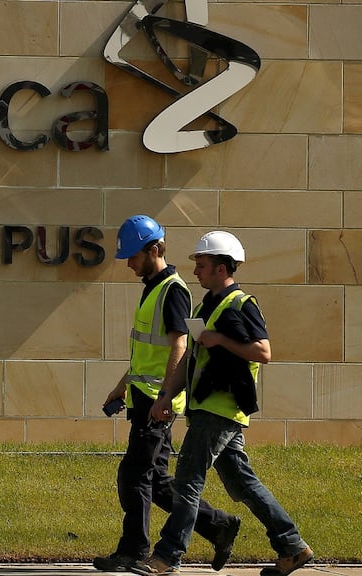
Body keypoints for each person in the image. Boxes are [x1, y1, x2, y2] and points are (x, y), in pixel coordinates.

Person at [134, 231, 313, 576]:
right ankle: (292, 546)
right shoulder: (204, 307)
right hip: (209, 408)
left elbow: (264, 352)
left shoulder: (242, 304)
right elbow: (191, 359)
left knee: (187, 482)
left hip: (220, 409)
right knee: (243, 484)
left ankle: (167, 557)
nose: (196, 271)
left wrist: (220, 339)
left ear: (221, 268)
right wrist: (167, 395)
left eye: (201, 265)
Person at [94, 216, 241, 573]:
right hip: (143, 396)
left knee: (134, 476)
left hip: (156, 401)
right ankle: (218, 525)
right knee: (157, 482)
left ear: (155, 250)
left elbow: (179, 344)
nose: (128, 263)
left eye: (133, 256)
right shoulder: (153, 287)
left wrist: (164, 397)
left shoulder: (173, 290)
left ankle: (133, 550)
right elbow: (149, 350)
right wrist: (122, 385)